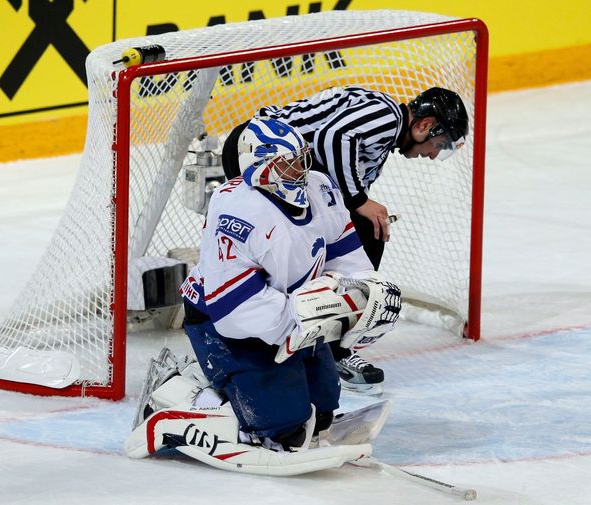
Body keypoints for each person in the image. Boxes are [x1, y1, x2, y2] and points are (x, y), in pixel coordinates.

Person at [129, 118, 399, 472]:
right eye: (289, 164)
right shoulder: (237, 209)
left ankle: (242, 387)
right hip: (220, 320)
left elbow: (346, 256)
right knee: (281, 427)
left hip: (288, 314)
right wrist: (307, 319)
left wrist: (361, 300)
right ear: (262, 169)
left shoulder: (321, 189)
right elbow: (235, 309)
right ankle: (180, 392)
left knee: (322, 411)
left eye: (303, 159)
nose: (301, 172)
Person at [221, 86, 469, 394]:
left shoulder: (382, 137)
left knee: (360, 231)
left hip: (268, 159)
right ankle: (304, 341)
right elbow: (333, 137)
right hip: (256, 152)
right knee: (346, 231)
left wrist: (355, 205)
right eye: (439, 143)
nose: (433, 155)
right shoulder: (387, 115)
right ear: (423, 125)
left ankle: (322, 342)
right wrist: (359, 200)